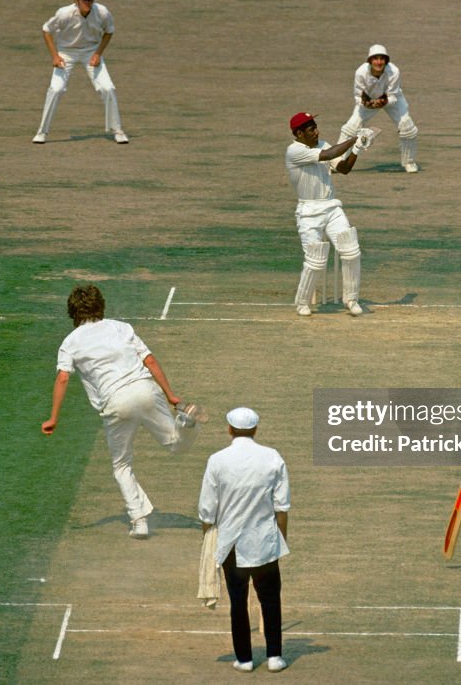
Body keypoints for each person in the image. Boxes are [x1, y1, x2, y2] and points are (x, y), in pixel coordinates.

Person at [41, 284, 198, 538]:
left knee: (121, 464)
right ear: (100, 306)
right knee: (176, 444)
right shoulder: (121, 327)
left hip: (116, 402)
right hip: (146, 390)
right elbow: (150, 360)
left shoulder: (70, 342)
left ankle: (138, 521)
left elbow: (62, 379)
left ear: (73, 312)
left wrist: (53, 418)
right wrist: (170, 395)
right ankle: (187, 422)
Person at [198, 407, 290, 674]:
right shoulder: (272, 457)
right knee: (270, 599)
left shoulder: (217, 460)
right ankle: (274, 657)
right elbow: (281, 507)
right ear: (255, 429)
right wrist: (279, 541)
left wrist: (207, 538)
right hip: (264, 542)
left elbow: (207, 510)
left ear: (229, 429)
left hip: (232, 545)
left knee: (238, 602)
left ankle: (245, 659)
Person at [286, 111, 374, 317]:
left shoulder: (323, 144)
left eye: (316, 127)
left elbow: (343, 168)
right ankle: (302, 302)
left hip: (331, 207)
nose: (316, 132)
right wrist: (354, 139)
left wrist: (357, 149)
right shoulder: (294, 151)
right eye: (311, 129)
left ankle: (351, 299)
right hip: (308, 211)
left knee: (351, 250)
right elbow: (328, 155)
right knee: (316, 261)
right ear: (299, 133)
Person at [33, 0, 128, 145]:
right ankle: (41, 132)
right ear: (76, 0)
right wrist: (55, 56)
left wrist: (98, 53)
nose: (88, 2)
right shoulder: (64, 13)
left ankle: (118, 131)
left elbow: (109, 31)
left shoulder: (102, 12)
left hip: (90, 51)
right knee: (56, 89)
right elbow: (46, 30)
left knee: (108, 88)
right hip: (66, 52)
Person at [337, 44, 419, 173]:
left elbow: (393, 95)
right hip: (368, 101)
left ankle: (409, 162)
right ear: (370, 61)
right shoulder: (360, 72)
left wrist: (383, 101)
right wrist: (367, 102)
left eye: (382, 59)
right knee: (350, 129)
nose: (379, 62)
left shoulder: (394, 71)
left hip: (393, 101)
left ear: (386, 60)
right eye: (375, 59)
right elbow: (358, 96)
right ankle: (337, 162)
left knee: (408, 128)